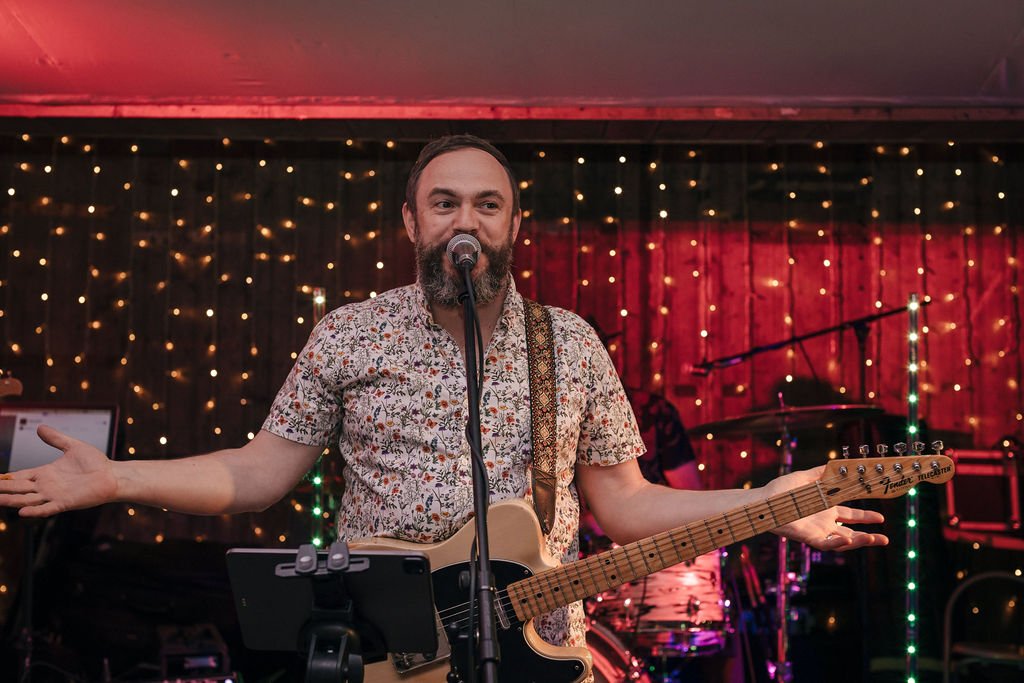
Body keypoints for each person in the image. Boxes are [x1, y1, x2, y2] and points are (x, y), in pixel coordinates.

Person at [0, 135, 886, 661]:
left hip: (538, 651)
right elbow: (259, 471)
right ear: (413, 223)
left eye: (488, 205)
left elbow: (623, 503)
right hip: (386, 651)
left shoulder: (568, 342)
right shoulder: (350, 333)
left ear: (512, 226)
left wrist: (769, 503)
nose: (467, 221)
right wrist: (117, 479)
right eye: (447, 203)